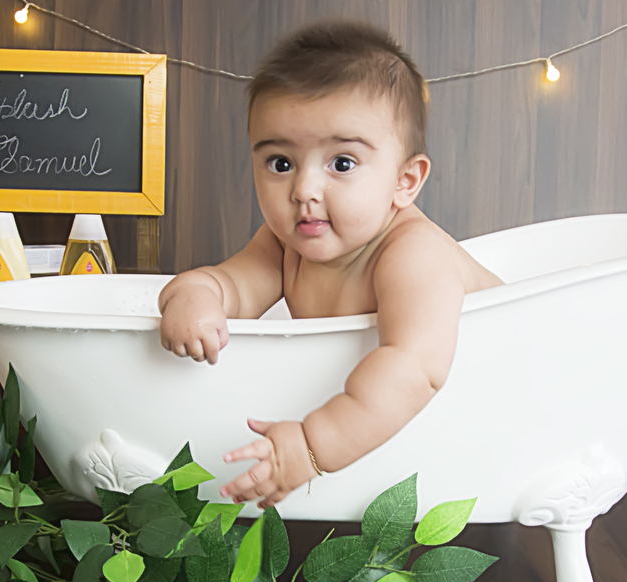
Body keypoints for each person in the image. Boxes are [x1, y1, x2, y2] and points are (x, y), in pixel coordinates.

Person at [156, 19, 504, 509]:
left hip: (501, 403)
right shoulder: (287, 245)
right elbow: (232, 285)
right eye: (280, 163)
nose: (304, 190)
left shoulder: (414, 254)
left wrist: (311, 446)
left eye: (342, 163)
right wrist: (194, 293)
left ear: (405, 181)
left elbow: (413, 369)